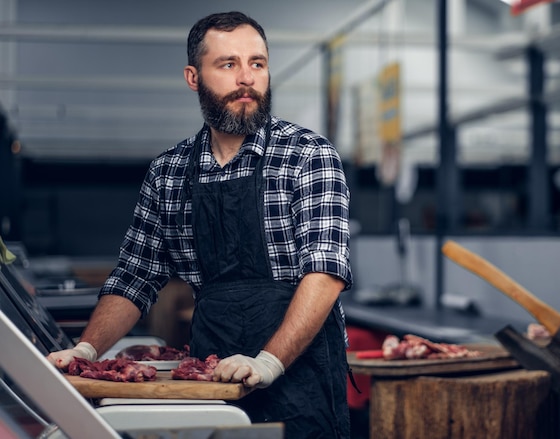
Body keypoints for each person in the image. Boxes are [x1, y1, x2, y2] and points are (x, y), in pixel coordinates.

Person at [47, 10, 352, 438]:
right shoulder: (169, 172)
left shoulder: (308, 156)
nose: (246, 78)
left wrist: (268, 362)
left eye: (257, 64)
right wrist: (85, 350)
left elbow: (325, 274)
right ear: (193, 77)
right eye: (228, 64)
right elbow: (135, 277)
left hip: (302, 381)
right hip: (211, 383)